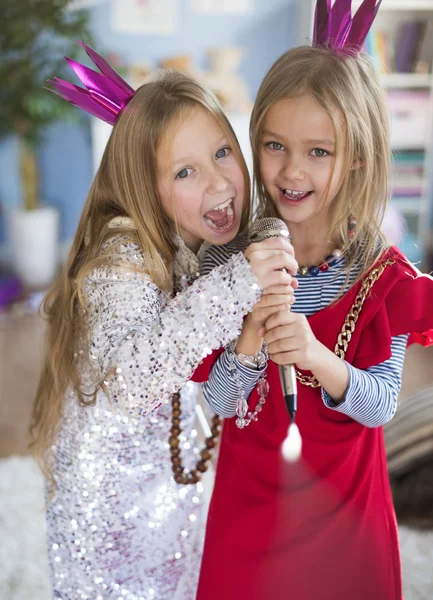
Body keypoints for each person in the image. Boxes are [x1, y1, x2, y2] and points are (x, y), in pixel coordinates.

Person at [29, 43, 297, 600]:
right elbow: (133, 380)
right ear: (144, 189)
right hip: (106, 507)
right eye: (185, 171)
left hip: (171, 483)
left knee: (178, 576)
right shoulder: (120, 254)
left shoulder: (206, 243)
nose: (220, 183)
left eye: (223, 152)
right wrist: (242, 281)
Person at [194, 2, 433, 598]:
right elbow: (219, 404)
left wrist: (316, 356)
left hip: (345, 518)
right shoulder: (226, 260)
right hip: (250, 507)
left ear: (356, 157)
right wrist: (249, 336)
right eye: (274, 145)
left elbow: (379, 404)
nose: (291, 171)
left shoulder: (386, 278)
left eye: (318, 152)